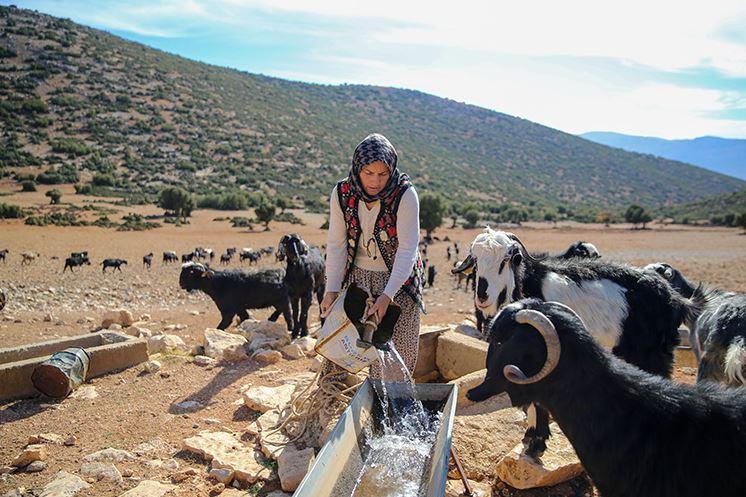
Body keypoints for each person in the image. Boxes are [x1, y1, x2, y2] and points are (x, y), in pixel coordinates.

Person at [322, 133, 425, 378]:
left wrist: (387, 295)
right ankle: (333, 400)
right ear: (357, 169)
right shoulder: (343, 193)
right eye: (368, 173)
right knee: (340, 346)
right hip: (357, 277)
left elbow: (407, 248)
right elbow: (336, 243)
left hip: (399, 280)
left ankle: (385, 407)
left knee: (392, 353)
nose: (375, 181)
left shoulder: (404, 195)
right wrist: (332, 289)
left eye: (383, 174)